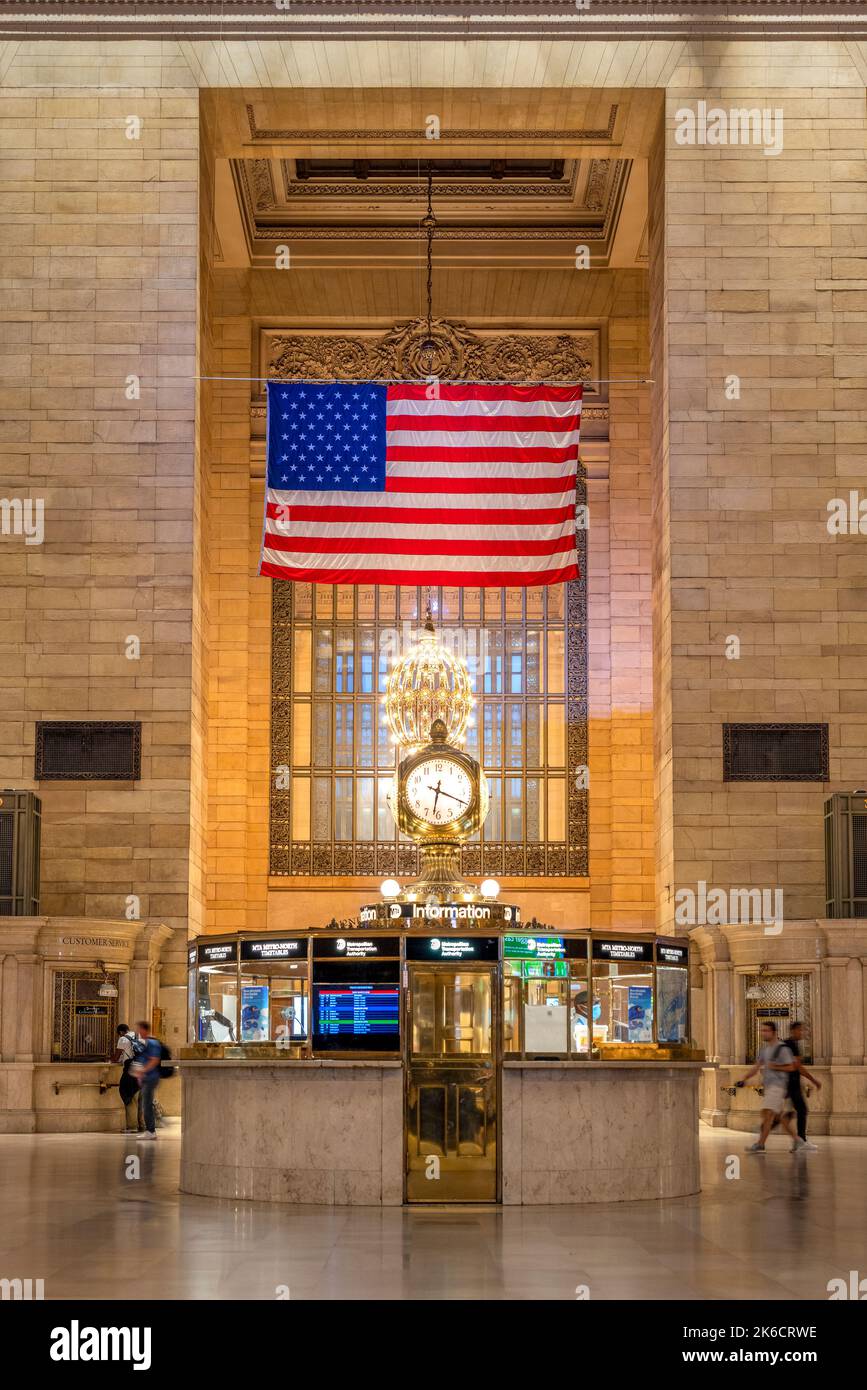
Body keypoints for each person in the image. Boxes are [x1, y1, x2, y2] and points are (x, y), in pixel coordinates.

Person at [737, 1020, 799, 1153]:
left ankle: (760, 1144)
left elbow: (792, 1066)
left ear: (774, 1032)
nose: (763, 1033)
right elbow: (756, 1067)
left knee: (767, 1114)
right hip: (769, 1087)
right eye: (762, 1030)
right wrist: (744, 1078)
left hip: (778, 1086)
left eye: (766, 1031)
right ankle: (797, 1140)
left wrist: (775, 1066)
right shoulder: (764, 1050)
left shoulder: (782, 1049)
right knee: (778, 1117)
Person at [785, 1020, 821, 1152]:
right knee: (802, 1110)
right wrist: (814, 1080)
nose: (802, 1032)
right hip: (791, 1084)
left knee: (789, 1113)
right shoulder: (791, 1045)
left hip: (789, 1084)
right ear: (793, 1030)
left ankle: (798, 1141)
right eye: (800, 1030)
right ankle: (801, 1141)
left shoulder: (789, 1044)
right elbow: (798, 1067)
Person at [133, 1020, 163, 1141]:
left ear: (145, 1030)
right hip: (147, 1077)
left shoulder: (152, 1043)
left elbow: (154, 1060)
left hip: (151, 1077)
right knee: (147, 1103)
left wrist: (142, 1071)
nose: (138, 1032)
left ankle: (151, 1130)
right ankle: (150, 1130)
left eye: (140, 1029)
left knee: (147, 1104)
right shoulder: (147, 1043)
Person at [111, 1023, 142, 1133]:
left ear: (120, 1032)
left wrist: (111, 1059)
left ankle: (132, 1127)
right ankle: (142, 1125)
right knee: (139, 1097)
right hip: (142, 1069)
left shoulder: (123, 1039)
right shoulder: (138, 1036)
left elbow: (115, 1057)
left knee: (129, 1095)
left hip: (130, 1071)